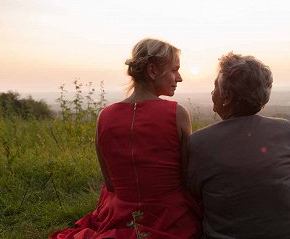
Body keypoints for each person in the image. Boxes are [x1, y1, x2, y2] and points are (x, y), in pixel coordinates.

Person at [51, 38, 202, 239]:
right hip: (171, 218)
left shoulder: (104, 115)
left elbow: (111, 185)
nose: (179, 77)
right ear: (152, 71)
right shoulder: (177, 113)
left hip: (120, 215)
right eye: (174, 70)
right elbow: (187, 178)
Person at [187, 52, 290, 239]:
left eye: (215, 87)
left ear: (226, 97)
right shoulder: (284, 128)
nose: (212, 92)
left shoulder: (199, 142)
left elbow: (192, 193)